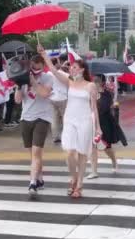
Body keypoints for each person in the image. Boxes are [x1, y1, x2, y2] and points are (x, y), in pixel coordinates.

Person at [39, 45, 100, 199]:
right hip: (70, 119)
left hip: (85, 120)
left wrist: (98, 128)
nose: (71, 69)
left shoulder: (90, 86)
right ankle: (73, 177)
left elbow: (94, 108)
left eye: (74, 67)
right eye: (71, 67)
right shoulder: (69, 81)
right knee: (69, 153)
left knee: (81, 154)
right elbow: (53, 70)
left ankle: (79, 184)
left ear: (81, 70)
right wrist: (44, 55)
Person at [15, 52, 54, 197]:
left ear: (43, 67)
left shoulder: (48, 78)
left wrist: (32, 80)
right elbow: (18, 101)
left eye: (38, 69)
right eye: (33, 68)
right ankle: (40, 178)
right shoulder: (23, 78)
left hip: (42, 118)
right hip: (26, 118)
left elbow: (44, 93)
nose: (35, 72)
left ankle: (32, 183)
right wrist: (19, 85)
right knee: (32, 155)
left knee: (37, 152)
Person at [88, 75, 127, 178]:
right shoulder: (90, 93)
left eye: (97, 81)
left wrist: (96, 101)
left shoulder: (106, 94)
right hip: (91, 122)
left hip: (104, 123)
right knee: (93, 148)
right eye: (93, 81)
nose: (94, 83)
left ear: (101, 82)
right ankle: (94, 171)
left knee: (106, 147)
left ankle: (114, 160)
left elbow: (105, 108)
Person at [50, 57, 68, 143]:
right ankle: (65, 136)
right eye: (58, 62)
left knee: (54, 118)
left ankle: (55, 137)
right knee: (65, 118)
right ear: (55, 64)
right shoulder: (63, 74)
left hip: (52, 98)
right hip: (63, 98)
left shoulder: (48, 74)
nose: (60, 64)